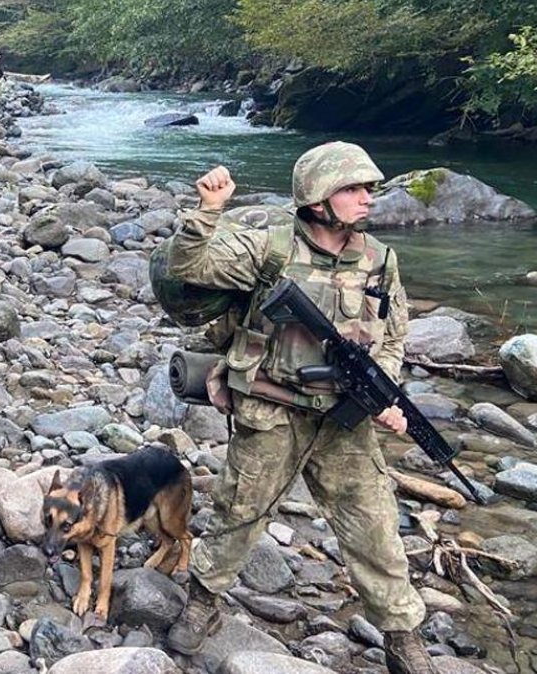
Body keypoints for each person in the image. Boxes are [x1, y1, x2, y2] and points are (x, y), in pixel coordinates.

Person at [165, 142, 438, 674]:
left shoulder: (380, 259)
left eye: (368, 189)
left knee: (374, 528)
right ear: (317, 199)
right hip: (271, 408)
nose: (366, 199)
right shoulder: (269, 248)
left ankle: (403, 635)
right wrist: (208, 212)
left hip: (343, 420)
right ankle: (203, 602)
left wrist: (382, 395)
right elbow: (189, 267)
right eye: (352, 189)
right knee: (238, 513)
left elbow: (393, 335)